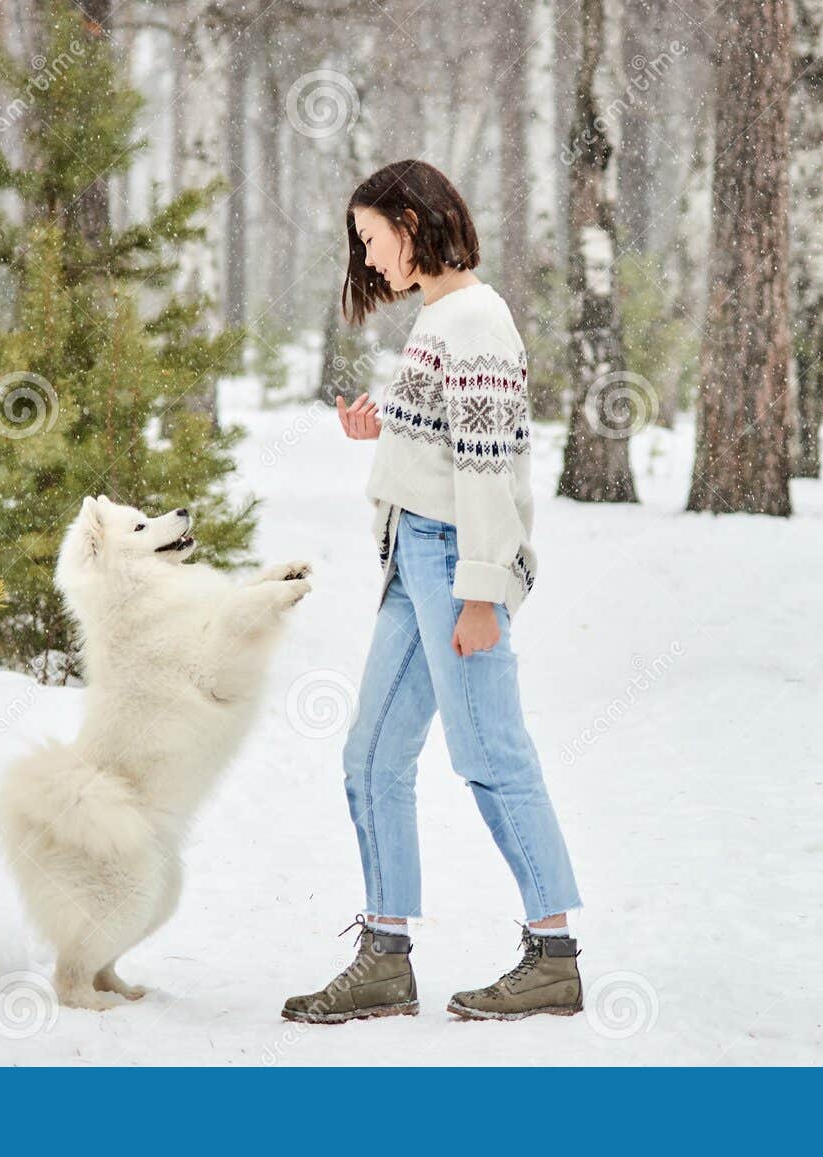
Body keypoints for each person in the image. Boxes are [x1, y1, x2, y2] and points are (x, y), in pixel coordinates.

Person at [281, 159, 585, 1023]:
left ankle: (554, 954)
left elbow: (491, 463)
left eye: (373, 239)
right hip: (416, 558)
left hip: (455, 560)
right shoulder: (441, 316)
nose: (370, 259)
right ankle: (384, 953)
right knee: (371, 757)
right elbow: (451, 434)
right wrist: (386, 425)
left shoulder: (477, 319)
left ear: (412, 222)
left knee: (491, 753)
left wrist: (485, 591)